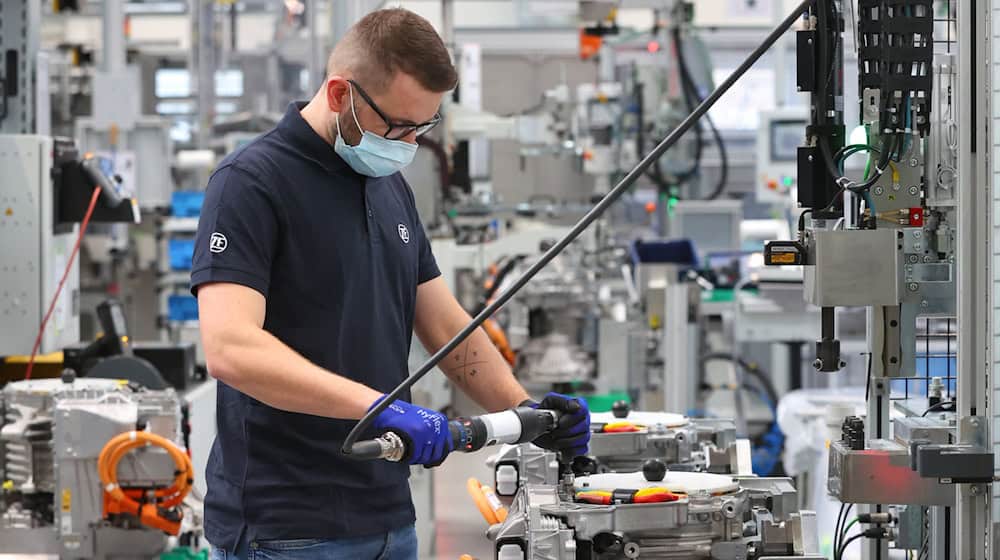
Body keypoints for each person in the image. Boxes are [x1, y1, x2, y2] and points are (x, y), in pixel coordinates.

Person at [191, 8, 590, 560]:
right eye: (398, 126)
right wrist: (380, 407)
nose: (409, 142)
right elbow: (231, 348)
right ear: (338, 94)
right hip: (286, 528)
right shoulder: (251, 184)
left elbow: (446, 326)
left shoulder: (388, 186)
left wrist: (528, 415)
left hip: (388, 518)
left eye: (422, 128)